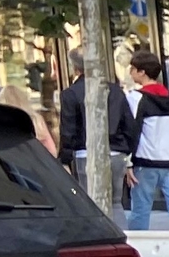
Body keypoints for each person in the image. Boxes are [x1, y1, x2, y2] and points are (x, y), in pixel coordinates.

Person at [124, 46, 169, 231]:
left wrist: (128, 162)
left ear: (141, 72)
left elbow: (131, 130)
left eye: (132, 68)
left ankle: (138, 246)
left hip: (147, 161)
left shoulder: (136, 98)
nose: (130, 72)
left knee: (141, 208)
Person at [58, 65, 135, 198]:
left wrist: (65, 159)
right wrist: (126, 150)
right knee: (116, 203)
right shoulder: (115, 90)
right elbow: (129, 125)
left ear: (76, 69)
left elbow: (68, 130)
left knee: (91, 202)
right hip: (116, 152)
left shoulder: (71, 93)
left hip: (86, 154)